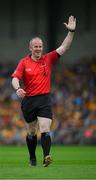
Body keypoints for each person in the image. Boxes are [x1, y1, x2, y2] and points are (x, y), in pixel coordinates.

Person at [11, 15, 76, 167]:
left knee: (45, 128)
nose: (39, 48)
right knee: (32, 131)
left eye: (40, 46)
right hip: (29, 100)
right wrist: (18, 88)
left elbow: (64, 47)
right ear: (30, 48)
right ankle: (32, 157)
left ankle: (47, 156)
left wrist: (71, 32)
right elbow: (15, 78)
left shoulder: (48, 59)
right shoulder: (24, 62)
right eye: (36, 46)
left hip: (44, 100)